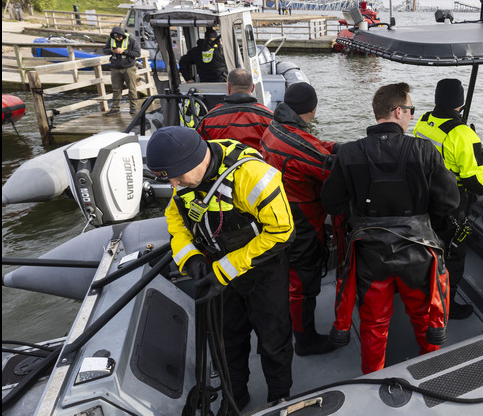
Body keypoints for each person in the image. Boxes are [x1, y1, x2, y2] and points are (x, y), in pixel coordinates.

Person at [145, 126, 295, 414]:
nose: (175, 185)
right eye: (170, 180)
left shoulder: (251, 176)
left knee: (273, 338)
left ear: (196, 161)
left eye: (177, 177)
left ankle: (280, 396)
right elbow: (176, 222)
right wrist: (190, 258)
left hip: (262, 269)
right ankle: (235, 395)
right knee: (227, 340)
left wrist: (226, 268)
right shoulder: (182, 179)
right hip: (217, 271)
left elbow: (282, 231)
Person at [321, 82, 459, 374]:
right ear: (398, 111)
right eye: (411, 111)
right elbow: (449, 200)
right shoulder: (425, 150)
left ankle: (374, 380)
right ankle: (432, 371)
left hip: (370, 255)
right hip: (418, 253)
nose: (412, 116)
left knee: (373, 323)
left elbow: (331, 202)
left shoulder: (348, 153)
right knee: (424, 317)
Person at [260, 82, 342, 356]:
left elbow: (312, 148)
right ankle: (306, 341)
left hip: (282, 211)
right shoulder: (296, 141)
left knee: (293, 278)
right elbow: (327, 168)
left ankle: (294, 328)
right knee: (304, 283)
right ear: (313, 108)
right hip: (302, 221)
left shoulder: (276, 127)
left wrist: (339, 146)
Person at [413, 78, 483, 320]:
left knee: (431, 247)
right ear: (460, 104)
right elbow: (474, 180)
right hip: (452, 202)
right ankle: (445, 306)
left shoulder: (424, 120)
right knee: (453, 254)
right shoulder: (464, 134)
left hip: (426, 195)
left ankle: (423, 292)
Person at [196, 68, 274, 152]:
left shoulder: (208, 120)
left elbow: (198, 152)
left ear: (228, 87)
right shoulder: (269, 119)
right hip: (260, 164)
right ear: (253, 87)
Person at [103, 26, 142, 115]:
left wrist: (123, 52)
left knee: (132, 89)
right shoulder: (111, 40)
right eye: (115, 37)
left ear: (122, 35)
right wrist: (112, 51)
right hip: (115, 68)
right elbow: (105, 50)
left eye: (119, 37)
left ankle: (133, 107)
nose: (117, 38)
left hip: (128, 68)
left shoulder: (131, 40)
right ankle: (115, 108)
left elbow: (137, 53)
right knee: (116, 89)